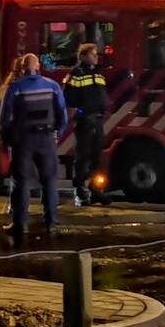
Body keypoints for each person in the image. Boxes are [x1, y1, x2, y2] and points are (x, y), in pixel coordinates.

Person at [0, 53, 67, 234]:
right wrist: (57, 133)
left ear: (22, 68)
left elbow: (5, 117)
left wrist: (7, 139)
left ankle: (20, 224)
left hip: (24, 140)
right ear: (38, 66)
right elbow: (62, 112)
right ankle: (51, 222)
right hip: (46, 139)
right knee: (49, 181)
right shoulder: (52, 86)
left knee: (21, 182)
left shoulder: (15, 87)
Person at [63, 43, 110, 206]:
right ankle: (80, 191)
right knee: (83, 157)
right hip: (85, 120)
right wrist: (81, 112)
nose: (96, 57)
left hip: (98, 119)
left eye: (96, 54)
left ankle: (95, 189)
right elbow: (68, 97)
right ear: (82, 56)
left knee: (97, 157)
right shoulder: (75, 74)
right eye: (93, 54)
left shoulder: (98, 73)